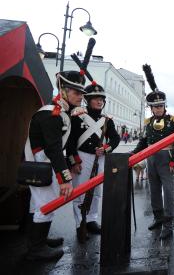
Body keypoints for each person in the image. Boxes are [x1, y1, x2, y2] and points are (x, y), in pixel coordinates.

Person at [25, 71, 86, 260]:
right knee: (46, 204)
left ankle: (38, 241)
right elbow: (54, 149)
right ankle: (36, 249)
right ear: (64, 91)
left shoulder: (59, 112)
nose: (81, 96)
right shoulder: (52, 114)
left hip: (43, 163)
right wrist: (65, 179)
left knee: (37, 205)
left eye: (81, 92)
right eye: (76, 92)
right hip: (43, 164)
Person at [132, 64, 174, 240]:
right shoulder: (148, 122)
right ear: (151, 108)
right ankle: (158, 218)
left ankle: (169, 224)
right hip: (151, 159)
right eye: (155, 107)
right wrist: (133, 154)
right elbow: (143, 141)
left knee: (169, 193)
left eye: (161, 106)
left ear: (164, 105)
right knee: (153, 191)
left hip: (167, 158)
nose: (158, 109)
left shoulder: (173, 121)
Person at [67, 84, 120, 242]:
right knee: (80, 192)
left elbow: (115, 139)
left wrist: (106, 149)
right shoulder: (78, 117)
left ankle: (91, 220)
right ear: (88, 100)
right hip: (82, 157)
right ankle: (80, 223)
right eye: (96, 99)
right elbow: (70, 142)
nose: (99, 101)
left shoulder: (106, 120)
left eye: (101, 99)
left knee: (96, 191)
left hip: (100, 159)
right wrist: (74, 161)